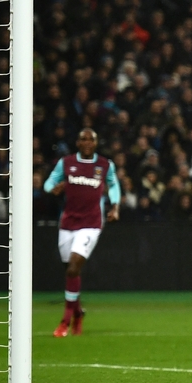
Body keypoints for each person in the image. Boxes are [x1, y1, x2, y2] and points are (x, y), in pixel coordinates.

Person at [43, 128, 121, 337]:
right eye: (83, 139)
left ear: (96, 143)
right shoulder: (66, 163)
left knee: (74, 266)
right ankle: (78, 313)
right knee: (71, 272)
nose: (87, 142)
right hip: (68, 222)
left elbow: (113, 185)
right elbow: (49, 182)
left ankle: (65, 321)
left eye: (91, 139)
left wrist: (115, 206)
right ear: (77, 143)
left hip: (91, 223)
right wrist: (53, 188)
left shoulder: (104, 165)